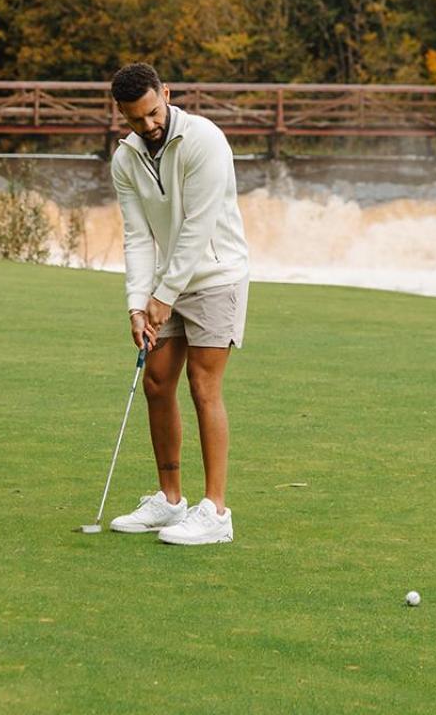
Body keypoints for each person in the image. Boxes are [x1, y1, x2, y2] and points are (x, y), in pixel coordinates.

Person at [104, 62, 250, 545]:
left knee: (202, 385)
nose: (147, 126)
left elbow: (198, 226)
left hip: (216, 276)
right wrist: (136, 305)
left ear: (166, 93)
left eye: (152, 113)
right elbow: (137, 236)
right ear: (120, 114)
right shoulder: (125, 159)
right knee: (156, 382)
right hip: (166, 283)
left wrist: (163, 296)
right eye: (134, 120)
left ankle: (216, 512)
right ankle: (170, 502)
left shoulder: (205, 140)